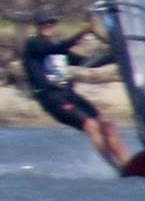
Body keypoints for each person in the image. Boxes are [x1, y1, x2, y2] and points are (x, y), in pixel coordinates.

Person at [21, 13, 129, 171]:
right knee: (91, 126)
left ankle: (128, 163)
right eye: (44, 24)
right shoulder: (33, 45)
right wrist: (83, 33)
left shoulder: (59, 51)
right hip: (51, 98)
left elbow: (85, 62)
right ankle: (117, 167)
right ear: (38, 26)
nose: (47, 26)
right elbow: (56, 48)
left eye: (51, 23)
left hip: (69, 95)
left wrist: (115, 56)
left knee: (106, 124)